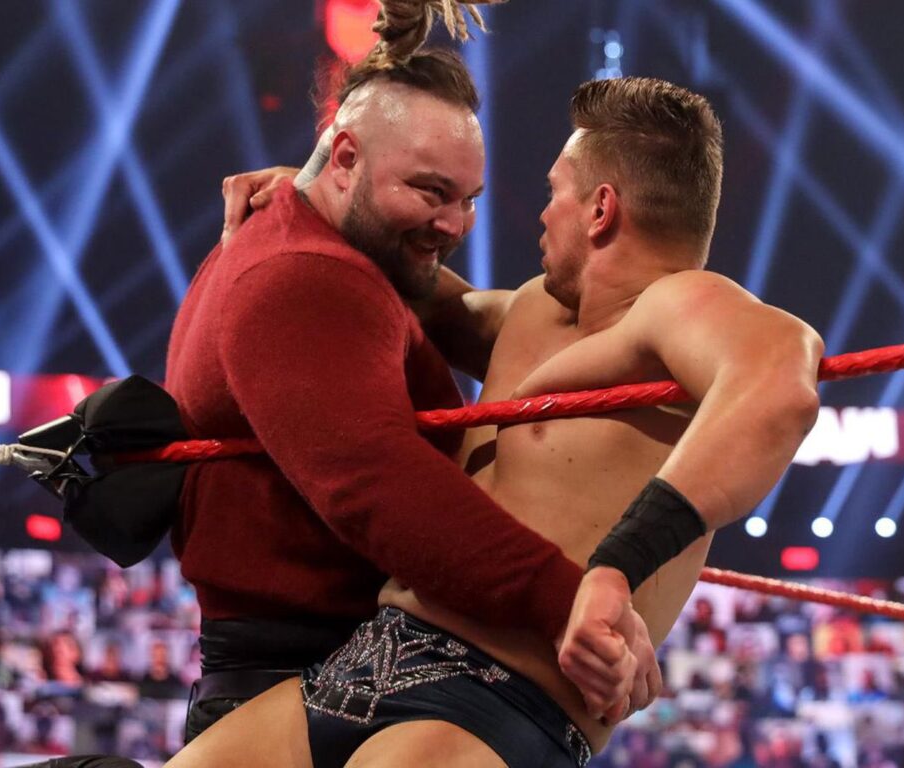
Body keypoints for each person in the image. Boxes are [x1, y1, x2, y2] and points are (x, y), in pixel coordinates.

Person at [164, 75, 822, 768]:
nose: (540, 214)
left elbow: (782, 385)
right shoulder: (534, 310)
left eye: (554, 192)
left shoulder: (681, 304)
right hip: (365, 659)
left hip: (499, 702)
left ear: (600, 209)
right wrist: (317, 192)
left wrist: (614, 570)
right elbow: (409, 274)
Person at [164, 23, 653, 747]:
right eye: (430, 191)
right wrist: (569, 599)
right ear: (345, 159)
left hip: (321, 667)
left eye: (469, 198)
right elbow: (379, 486)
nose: (454, 223)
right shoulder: (302, 274)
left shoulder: (328, 248)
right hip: (301, 673)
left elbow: (485, 330)